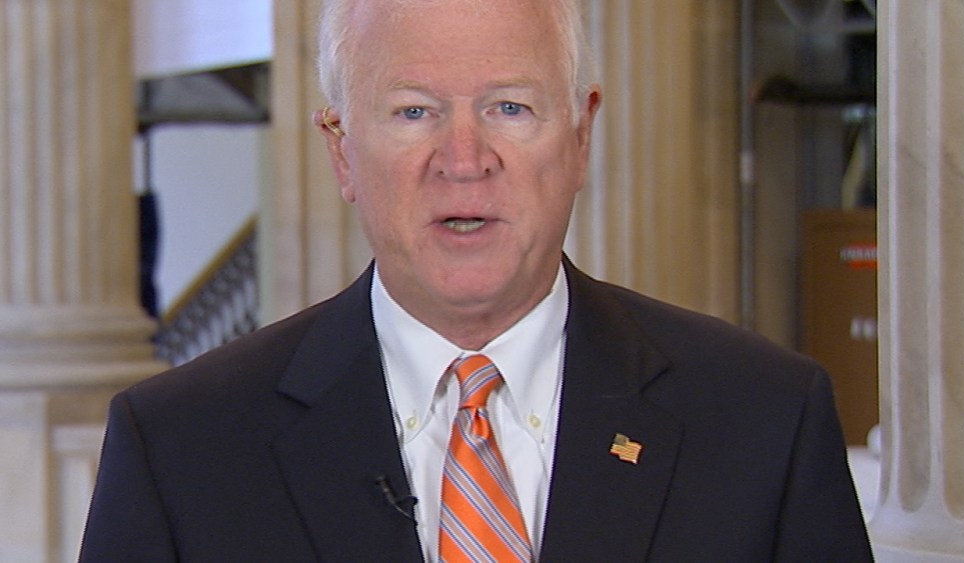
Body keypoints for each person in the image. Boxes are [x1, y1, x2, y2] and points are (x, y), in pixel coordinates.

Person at [79, 0, 873, 561]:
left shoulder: (766, 421)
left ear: (581, 134)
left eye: (510, 107)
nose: (464, 160)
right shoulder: (179, 450)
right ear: (342, 150)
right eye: (413, 112)